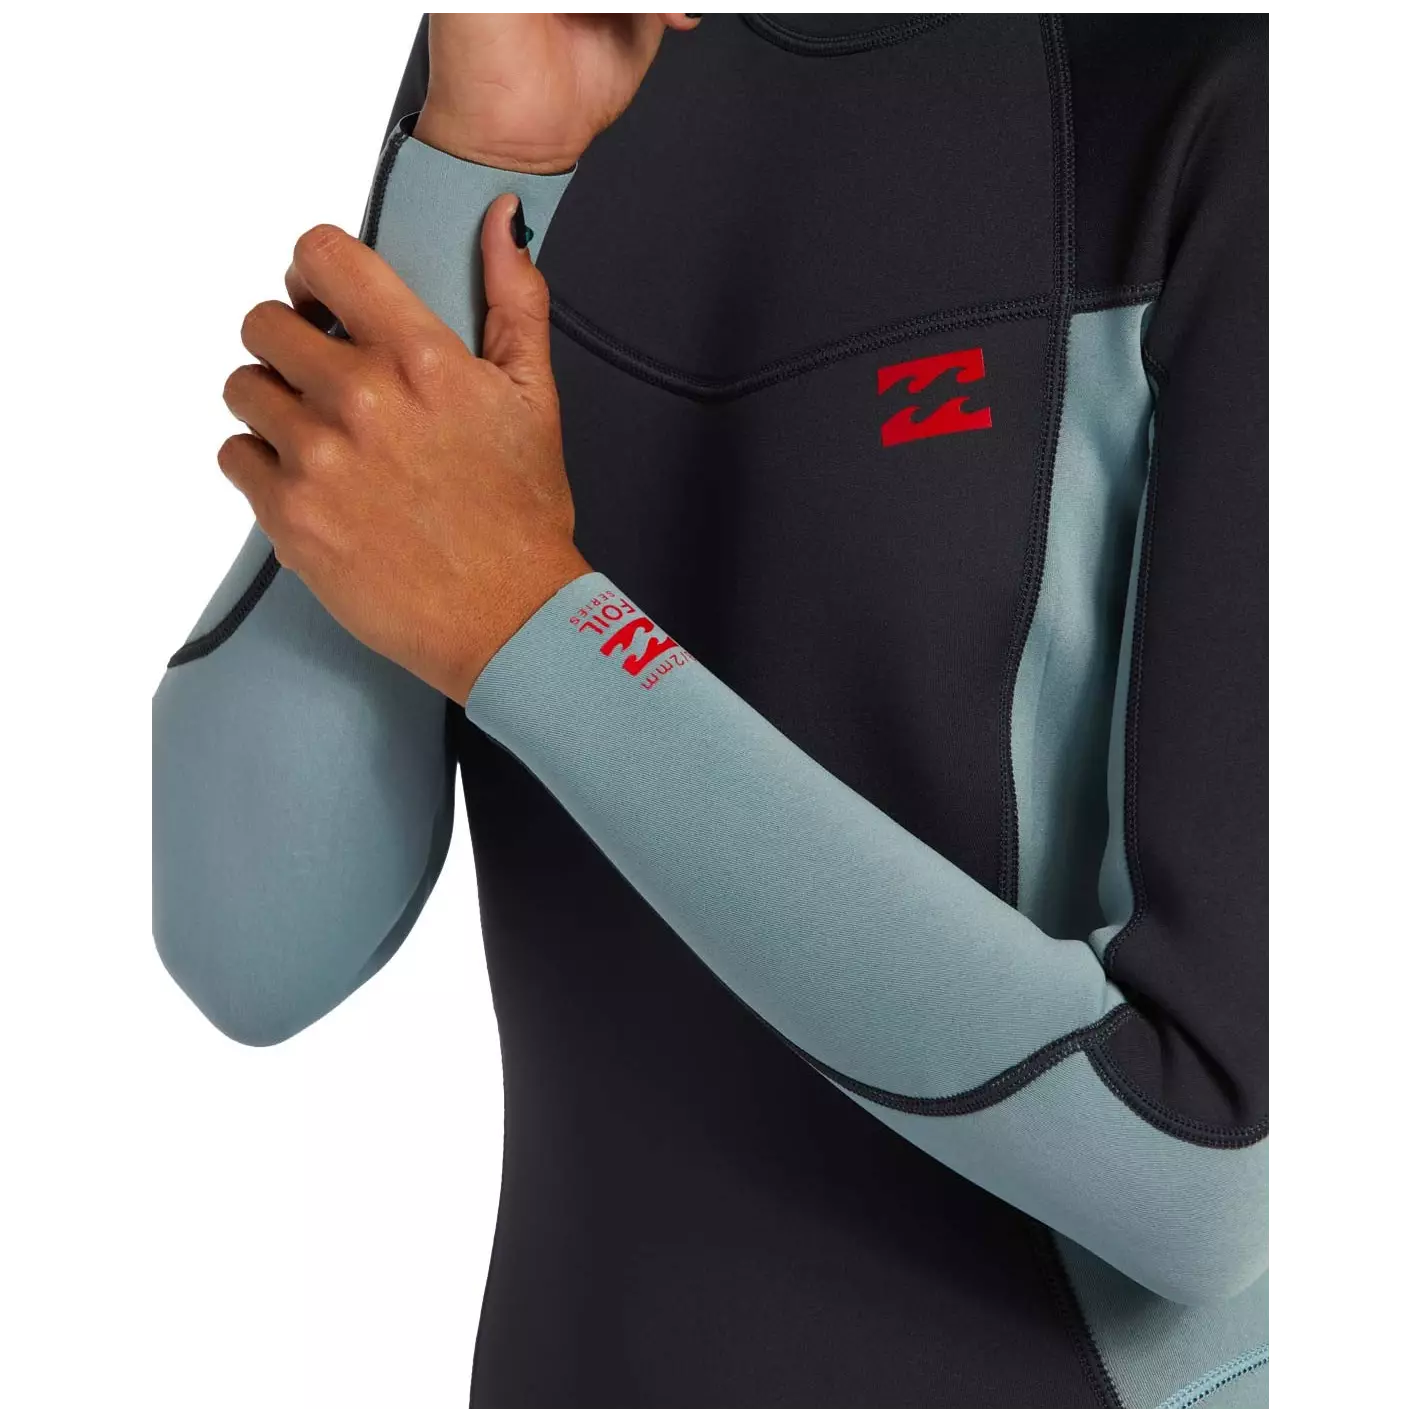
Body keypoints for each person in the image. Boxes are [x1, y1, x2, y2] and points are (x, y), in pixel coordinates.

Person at [152, 10, 1270, 1414]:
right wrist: (472, 161)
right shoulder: (553, 62)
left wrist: (527, 623)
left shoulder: (1237, 100)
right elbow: (246, 948)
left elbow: (1204, 1166)